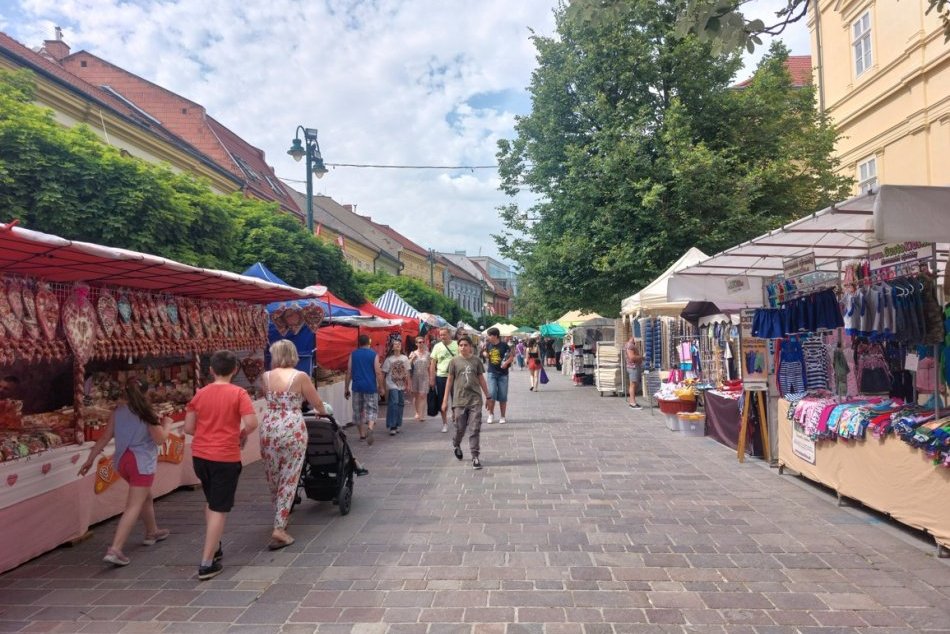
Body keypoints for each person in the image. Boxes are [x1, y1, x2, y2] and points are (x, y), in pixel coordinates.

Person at [78, 377, 172, 567]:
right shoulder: (147, 413)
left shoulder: (117, 412)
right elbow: (160, 439)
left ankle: (152, 531)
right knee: (133, 505)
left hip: (122, 462)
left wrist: (90, 460)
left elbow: (105, 437)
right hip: (141, 462)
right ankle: (115, 549)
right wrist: (167, 424)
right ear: (145, 393)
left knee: (145, 496)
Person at [183, 350, 258, 580]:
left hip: (200, 456)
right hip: (225, 455)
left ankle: (214, 548)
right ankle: (206, 562)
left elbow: (188, 428)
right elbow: (252, 422)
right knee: (219, 507)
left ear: (211, 370)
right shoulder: (238, 393)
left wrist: (208, 433)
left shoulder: (199, 395)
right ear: (235, 370)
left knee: (212, 501)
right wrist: (241, 434)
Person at [258, 340, 327, 551]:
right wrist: (322, 411)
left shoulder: (265, 377)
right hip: (292, 429)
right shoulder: (300, 377)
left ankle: (281, 513)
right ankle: (279, 527)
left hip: (269, 427)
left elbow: (267, 398)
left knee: (273, 476)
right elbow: (316, 403)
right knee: (290, 477)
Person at [442, 335, 490, 470]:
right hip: (459, 400)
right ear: (458, 347)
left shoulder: (476, 361)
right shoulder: (454, 362)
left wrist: (488, 397)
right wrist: (445, 400)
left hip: (475, 399)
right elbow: (449, 381)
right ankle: (456, 443)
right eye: (461, 345)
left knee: (475, 428)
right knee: (460, 427)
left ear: (470, 347)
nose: (463, 347)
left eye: (465, 345)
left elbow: (481, 379)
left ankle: (475, 456)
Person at [345, 334, 385, 445]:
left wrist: (346, 388)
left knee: (358, 410)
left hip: (357, 387)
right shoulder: (373, 355)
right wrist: (381, 387)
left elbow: (348, 371)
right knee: (371, 409)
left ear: (359, 343)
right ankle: (370, 427)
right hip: (370, 387)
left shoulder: (353, 354)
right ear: (369, 342)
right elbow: (378, 372)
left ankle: (362, 434)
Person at [429, 328, 459, 433]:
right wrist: (432, 378)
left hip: (455, 376)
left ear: (450, 335)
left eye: (444, 335)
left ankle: (455, 417)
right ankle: (445, 423)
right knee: (442, 400)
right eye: (440, 335)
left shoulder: (457, 345)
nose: (442, 337)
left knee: (456, 398)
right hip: (441, 376)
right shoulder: (437, 346)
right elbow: (433, 363)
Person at [483, 327, 513, 424]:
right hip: (492, 372)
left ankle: (502, 416)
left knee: (503, 396)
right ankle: (491, 414)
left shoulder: (504, 345)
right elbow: (484, 353)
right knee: (491, 394)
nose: (488, 337)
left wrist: (506, 363)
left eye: (489, 335)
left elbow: (511, 356)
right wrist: (484, 354)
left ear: (495, 336)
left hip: (503, 374)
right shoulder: (488, 345)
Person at [381, 338, 410, 436]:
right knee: (394, 402)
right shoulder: (389, 359)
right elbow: (383, 373)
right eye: (395, 344)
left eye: (399, 344)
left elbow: (407, 372)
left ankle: (397, 423)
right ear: (392, 347)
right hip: (392, 384)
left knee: (400, 404)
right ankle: (392, 425)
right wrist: (382, 387)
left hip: (401, 384)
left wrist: (408, 384)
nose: (397, 345)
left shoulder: (405, 358)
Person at [408, 336, 431, 421]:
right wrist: (412, 359)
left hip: (425, 376)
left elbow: (430, 366)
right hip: (415, 376)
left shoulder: (428, 354)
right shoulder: (413, 353)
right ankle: (417, 412)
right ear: (416, 344)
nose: (421, 344)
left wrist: (431, 377)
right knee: (416, 395)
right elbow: (407, 365)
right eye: (419, 342)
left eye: (422, 342)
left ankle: (422, 414)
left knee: (422, 395)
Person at [624, 335, 644, 409]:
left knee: (633, 384)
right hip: (633, 368)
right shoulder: (630, 346)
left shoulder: (628, 345)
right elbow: (632, 357)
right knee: (633, 384)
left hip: (632, 367)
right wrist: (641, 357)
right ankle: (632, 403)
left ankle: (632, 402)